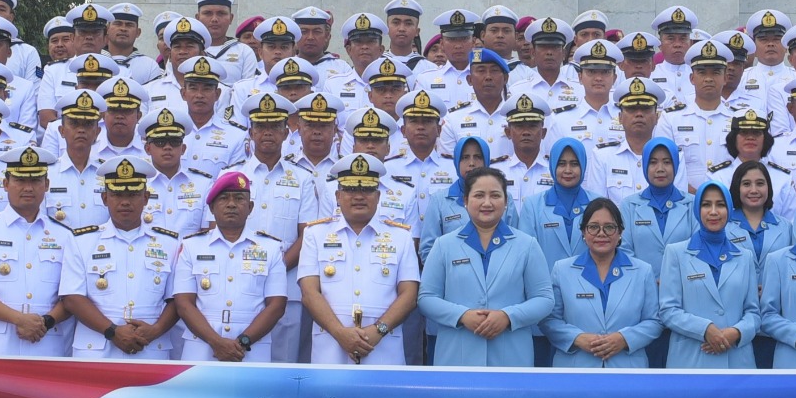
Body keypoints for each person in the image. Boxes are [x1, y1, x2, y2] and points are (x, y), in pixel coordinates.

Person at [419, 166, 554, 367]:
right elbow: (426, 298)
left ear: (506, 202)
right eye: (479, 195)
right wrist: (462, 316)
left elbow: (544, 299)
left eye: (495, 195)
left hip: (511, 357)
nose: (487, 203)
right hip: (457, 357)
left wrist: (508, 316)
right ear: (465, 201)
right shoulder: (444, 245)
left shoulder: (527, 245)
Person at [298, 155, 422, 364]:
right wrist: (340, 333)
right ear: (337, 196)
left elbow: (409, 295)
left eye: (366, 189)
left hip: (383, 347)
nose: (359, 196)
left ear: (378, 195)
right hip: (331, 346)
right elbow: (309, 293)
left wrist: (378, 330)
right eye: (350, 189)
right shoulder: (315, 234)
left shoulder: (401, 237)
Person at [58, 159, 181, 358]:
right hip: (97, 350)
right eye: (117, 195)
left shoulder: (169, 243)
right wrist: (113, 331)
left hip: (151, 347)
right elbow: (72, 298)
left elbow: (176, 299)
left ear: (146, 197)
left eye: (133, 195)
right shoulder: (82, 240)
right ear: (105, 198)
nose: (125, 202)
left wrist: (156, 330)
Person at [0, 148, 74, 358]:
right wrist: (19, 319)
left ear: (46, 185)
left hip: (46, 341)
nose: (28, 187)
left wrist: (46, 322)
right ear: (5, 184)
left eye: (36, 180)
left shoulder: (65, 235)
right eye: (20, 180)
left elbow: (72, 297)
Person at [168, 171, 295, 361]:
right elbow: (184, 304)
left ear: (251, 207)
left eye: (239, 198)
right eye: (224, 199)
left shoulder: (271, 248)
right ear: (211, 207)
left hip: (252, 348)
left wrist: (243, 342)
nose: (231, 204)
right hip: (202, 347)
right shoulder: (191, 247)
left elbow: (276, 305)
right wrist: (216, 343)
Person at [545, 197, 662, 368]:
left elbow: (655, 321)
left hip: (627, 370)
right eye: (593, 227)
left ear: (620, 232)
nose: (601, 233)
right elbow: (549, 320)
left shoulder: (643, 271)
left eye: (609, 227)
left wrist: (624, 339)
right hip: (575, 369)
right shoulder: (561, 270)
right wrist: (577, 338)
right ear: (583, 232)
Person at [659, 178, 761, 369]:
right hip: (691, 361)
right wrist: (705, 329)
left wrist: (736, 332)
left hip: (737, 360)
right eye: (706, 205)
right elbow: (668, 311)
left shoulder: (745, 256)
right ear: (697, 210)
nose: (713, 212)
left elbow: (753, 313)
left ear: (730, 210)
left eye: (720, 205)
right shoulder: (676, 253)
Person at [518, 136, 599, 260]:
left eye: (574, 164)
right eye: (561, 164)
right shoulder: (533, 206)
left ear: (583, 165)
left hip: (589, 279)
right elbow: (526, 255)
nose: (568, 170)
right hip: (546, 279)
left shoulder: (599, 204)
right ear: (552, 165)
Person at [618, 136, 694, 264]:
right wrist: (646, 278)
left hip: (683, 282)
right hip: (641, 282)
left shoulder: (693, 203)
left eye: (667, 162)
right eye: (653, 162)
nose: (660, 169)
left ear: (676, 165)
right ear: (645, 166)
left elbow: (696, 248)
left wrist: (674, 277)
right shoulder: (628, 205)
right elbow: (624, 250)